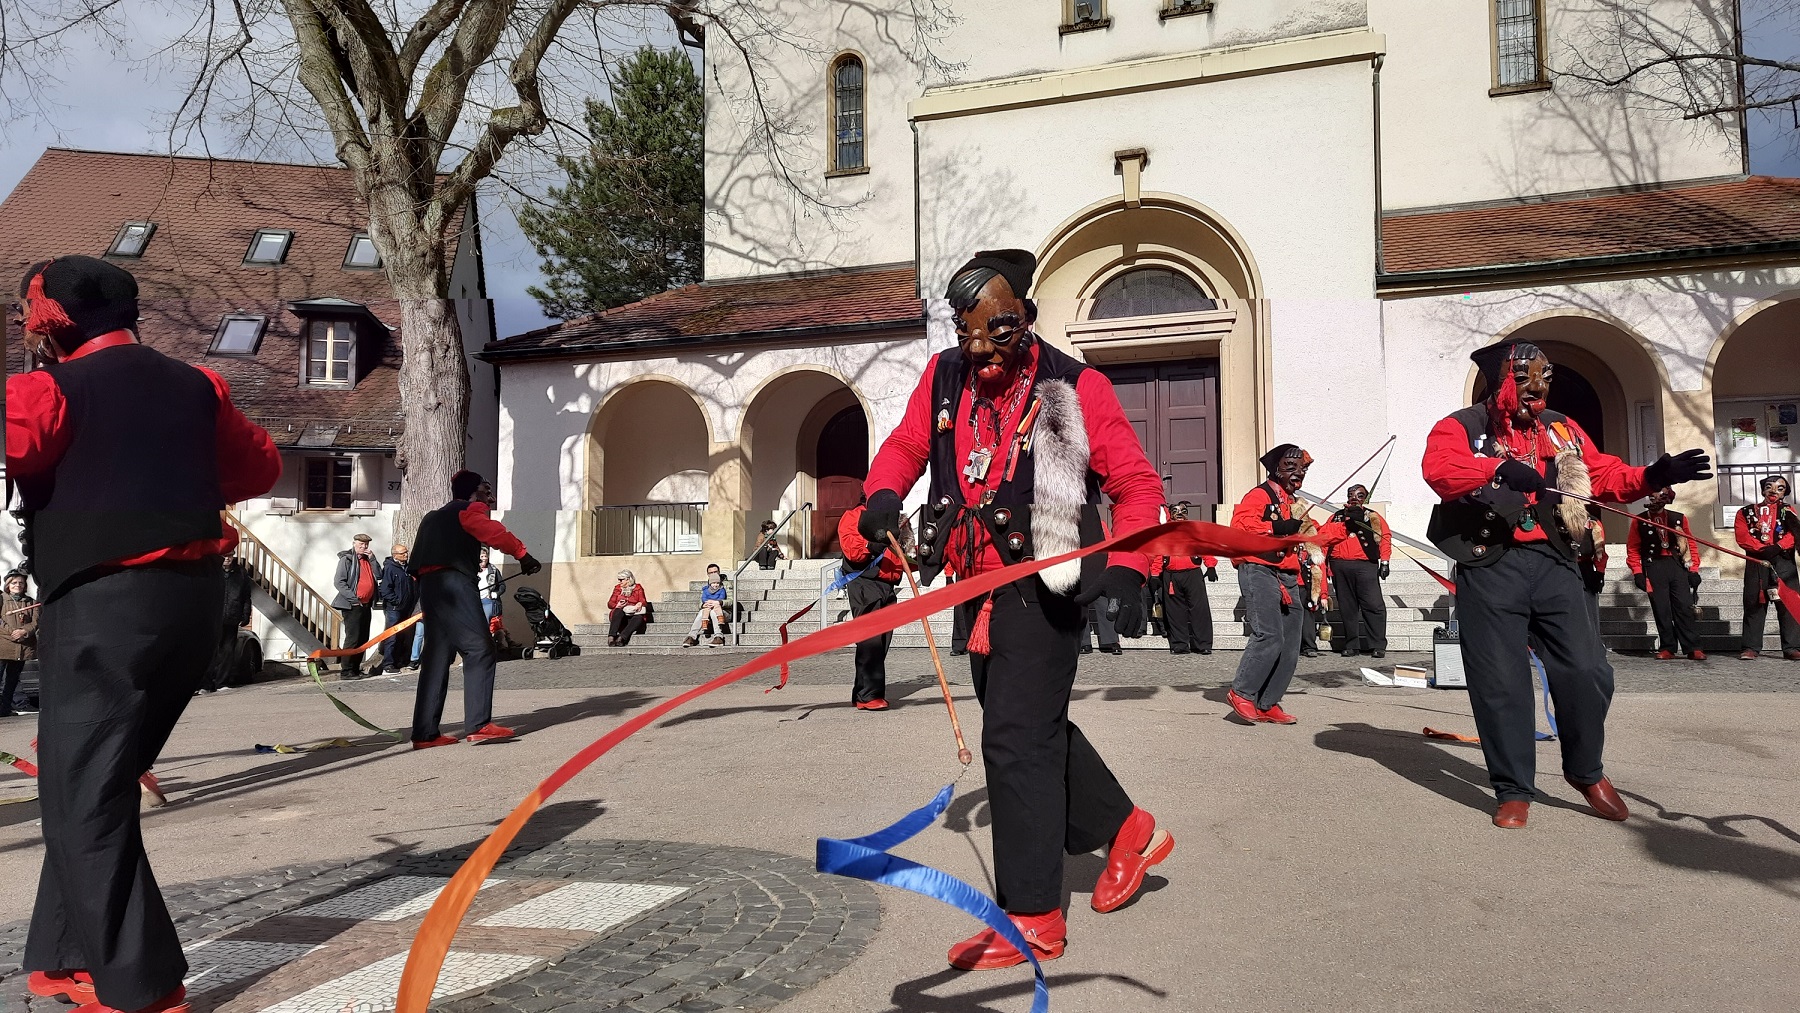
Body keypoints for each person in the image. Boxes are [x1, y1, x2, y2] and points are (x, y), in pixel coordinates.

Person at [859, 249, 1172, 971]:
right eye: (965, 332)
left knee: (1014, 740)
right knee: (1029, 725)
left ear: (1024, 317)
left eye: (995, 332)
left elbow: (1135, 485)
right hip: (971, 583)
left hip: (1045, 584)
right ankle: (1128, 827)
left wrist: (1131, 568)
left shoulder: (1077, 386)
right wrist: (882, 493)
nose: (978, 350)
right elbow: (908, 443)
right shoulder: (944, 375)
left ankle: (1032, 918)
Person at [7, 255, 281, 1013]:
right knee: (94, 783)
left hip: (103, 606)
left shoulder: (46, 389)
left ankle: (143, 984)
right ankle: (65, 954)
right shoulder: (201, 385)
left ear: (50, 324)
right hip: (194, 605)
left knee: (84, 792)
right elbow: (259, 469)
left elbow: (21, 449)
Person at [1423, 337, 1712, 829]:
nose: (1537, 387)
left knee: (1588, 670)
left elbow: (1602, 474)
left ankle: (1585, 770)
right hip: (1490, 564)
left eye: (1545, 377)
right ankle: (1513, 788)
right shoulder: (1462, 426)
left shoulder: (1561, 428)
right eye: (1524, 377)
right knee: (1500, 681)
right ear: (1500, 382)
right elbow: (1440, 471)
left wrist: (1652, 474)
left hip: (1555, 561)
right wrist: (1497, 468)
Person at [407, 470, 540, 749]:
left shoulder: (431, 518)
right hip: (455, 583)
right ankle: (479, 725)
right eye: (486, 491)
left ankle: (425, 733)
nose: (490, 498)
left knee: (436, 656)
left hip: (429, 587)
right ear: (474, 491)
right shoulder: (468, 511)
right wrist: (522, 554)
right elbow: (494, 533)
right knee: (479, 648)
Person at [1227, 445, 1346, 725]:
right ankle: (1242, 692)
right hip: (1259, 569)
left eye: (1301, 468)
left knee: (1291, 643)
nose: (1298, 473)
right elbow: (1241, 527)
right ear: (1275, 469)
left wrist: (1345, 525)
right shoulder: (1258, 495)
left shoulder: (1295, 504)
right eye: (1291, 467)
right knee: (1269, 634)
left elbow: (1314, 536)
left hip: (1288, 575)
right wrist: (1277, 528)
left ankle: (1267, 703)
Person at [837, 506, 908, 707]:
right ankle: (868, 695)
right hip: (865, 581)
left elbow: (900, 554)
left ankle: (862, 692)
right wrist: (871, 545)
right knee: (871, 640)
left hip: (887, 584)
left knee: (882, 641)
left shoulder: (895, 518)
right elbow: (852, 550)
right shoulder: (855, 515)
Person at [1627, 488, 1705, 661]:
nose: (1653, 497)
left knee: (1684, 606)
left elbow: (1690, 543)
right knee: (1661, 608)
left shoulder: (1679, 518)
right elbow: (1632, 548)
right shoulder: (1639, 520)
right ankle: (1667, 647)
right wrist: (1637, 572)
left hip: (1676, 565)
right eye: (1651, 494)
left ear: (1666, 498)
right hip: (1654, 566)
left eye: (1658, 494)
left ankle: (1693, 647)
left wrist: (1693, 569)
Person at [1735, 475, 1800, 661]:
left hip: (1783, 561)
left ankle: (1792, 647)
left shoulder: (1788, 510)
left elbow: (1794, 533)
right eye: (1769, 487)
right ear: (1763, 490)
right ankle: (1750, 647)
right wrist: (1761, 549)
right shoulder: (1745, 512)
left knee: (1788, 604)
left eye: (1780, 488)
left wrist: (1778, 547)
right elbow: (1742, 535)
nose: (1773, 491)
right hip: (1757, 561)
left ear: (1784, 493)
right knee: (1754, 603)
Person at [1327, 484, 1392, 659]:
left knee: (1373, 605)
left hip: (1365, 565)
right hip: (1340, 565)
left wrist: (1385, 561)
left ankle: (1377, 644)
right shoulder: (1336, 516)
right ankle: (1351, 644)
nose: (1354, 498)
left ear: (1365, 498)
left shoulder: (1373, 516)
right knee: (1347, 607)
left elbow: (1385, 537)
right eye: (1351, 494)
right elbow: (1326, 539)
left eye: (1359, 495)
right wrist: (1323, 565)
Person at [1156, 502, 1217, 656]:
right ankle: (1179, 644)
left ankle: (1203, 644)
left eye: (1183, 511)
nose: (1179, 514)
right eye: (1175, 511)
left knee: (1199, 609)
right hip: (1171, 576)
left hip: (1193, 574)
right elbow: (1157, 553)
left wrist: (1210, 565)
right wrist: (1155, 573)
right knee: (1174, 612)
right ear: (1170, 513)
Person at [204, 554, 255, 691]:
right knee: (210, 652)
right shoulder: (212, 572)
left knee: (227, 652)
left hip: (231, 618)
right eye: (224, 556)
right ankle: (205, 685)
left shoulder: (241, 573)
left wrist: (246, 615)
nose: (227, 558)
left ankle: (222, 683)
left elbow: (246, 596)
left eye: (230, 555)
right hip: (214, 618)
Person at [331, 533, 378, 679]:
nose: (364, 547)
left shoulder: (368, 559)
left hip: (366, 604)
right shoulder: (347, 559)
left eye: (366, 544)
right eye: (361, 544)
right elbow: (339, 582)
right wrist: (354, 599)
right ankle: (346, 671)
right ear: (354, 544)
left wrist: (373, 559)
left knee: (363, 638)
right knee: (353, 638)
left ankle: (356, 669)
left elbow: (379, 575)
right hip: (353, 605)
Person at [375, 543, 419, 678]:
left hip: (407, 608)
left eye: (406, 552)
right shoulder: (390, 568)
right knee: (392, 636)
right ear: (395, 555)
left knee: (402, 636)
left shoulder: (407, 568)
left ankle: (399, 660)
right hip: (394, 608)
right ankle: (387, 665)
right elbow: (385, 589)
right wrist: (396, 601)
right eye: (402, 553)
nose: (406, 555)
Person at [1, 571, 38, 716]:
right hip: (3, 645)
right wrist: (13, 633)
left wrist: (24, 631)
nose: (18, 585)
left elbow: (36, 621)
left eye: (21, 583)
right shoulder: (2, 599)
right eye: (14, 582)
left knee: (12, 680)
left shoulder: (31, 602)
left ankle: (5, 709)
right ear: (8, 585)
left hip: (22, 647)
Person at [683, 562, 731, 647]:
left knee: (713, 612)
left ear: (719, 572)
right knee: (702, 612)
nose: (713, 574)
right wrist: (704, 605)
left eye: (715, 572)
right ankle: (691, 637)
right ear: (708, 574)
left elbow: (731, 601)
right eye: (711, 573)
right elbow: (700, 602)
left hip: (724, 612)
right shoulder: (707, 587)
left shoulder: (726, 585)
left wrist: (719, 602)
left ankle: (719, 637)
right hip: (708, 610)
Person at [608, 570, 650, 645]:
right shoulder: (617, 588)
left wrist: (640, 603)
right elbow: (610, 604)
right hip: (620, 616)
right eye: (618, 579)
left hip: (633, 614)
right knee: (618, 611)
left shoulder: (638, 588)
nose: (619, 581)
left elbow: (643, 601)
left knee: (639, 618)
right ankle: (611, 637)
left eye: (621, 580)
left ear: (627, 579)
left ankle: (622, 638)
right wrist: (617, 605)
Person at [476, 547, 503, 622]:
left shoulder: (493, 570)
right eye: (482, 556)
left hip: (487, 601)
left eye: (486, 556)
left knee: (486, 622)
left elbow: (502, 585)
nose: (484, 558)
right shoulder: (472, 570)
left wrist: (495, 594)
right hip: (474, 600)